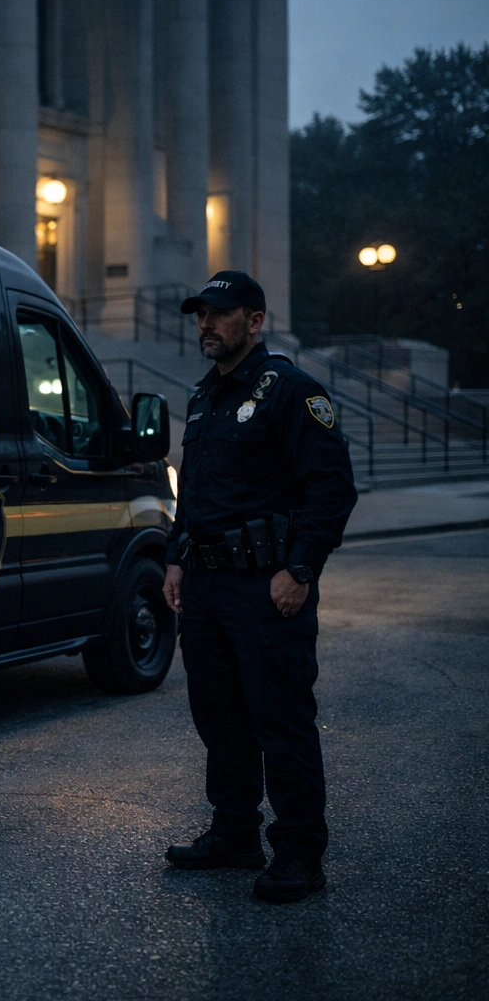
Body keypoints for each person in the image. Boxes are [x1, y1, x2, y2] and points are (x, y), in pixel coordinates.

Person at [161, 271, 358, 903]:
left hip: (266, 588)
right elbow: (191, 495)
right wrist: (174, 561)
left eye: (219, 315)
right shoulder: (203, 398)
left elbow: (331, 489)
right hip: (208, 586)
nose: (205, 325)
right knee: (220, 718)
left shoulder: (291, 393)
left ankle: (299, 852)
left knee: (281, 719)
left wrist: (300, 569)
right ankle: (235, 833)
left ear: (255, 321)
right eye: (200, 316)